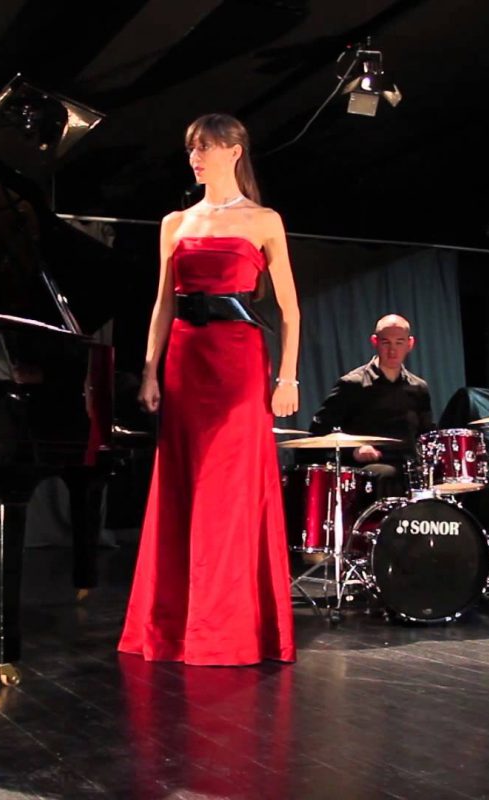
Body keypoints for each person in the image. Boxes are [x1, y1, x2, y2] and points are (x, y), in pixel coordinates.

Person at [118, 114, 300, 665]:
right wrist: (149, 370)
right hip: (185, 359)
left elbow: (289, 311)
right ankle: (176, 625)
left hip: (239, 362)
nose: (196, 157)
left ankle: (231, 627)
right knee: (184, 486)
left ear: (235, 151)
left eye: (206, 147)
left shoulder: (264, 220)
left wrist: (287, 376)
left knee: (231, 490)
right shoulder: (175, 222)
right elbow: (162, 303)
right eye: (192, 148)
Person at [307, 314, 433, 496]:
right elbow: (319, 433)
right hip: (369, 471)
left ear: (410, 344)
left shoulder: (419, 388)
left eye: (399, 342)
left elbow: (425, 435)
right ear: (374, 341)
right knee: (385, 475)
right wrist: (353, 451)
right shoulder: (352, 384)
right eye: (386, 342)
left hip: (408, 468)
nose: (392, 350)